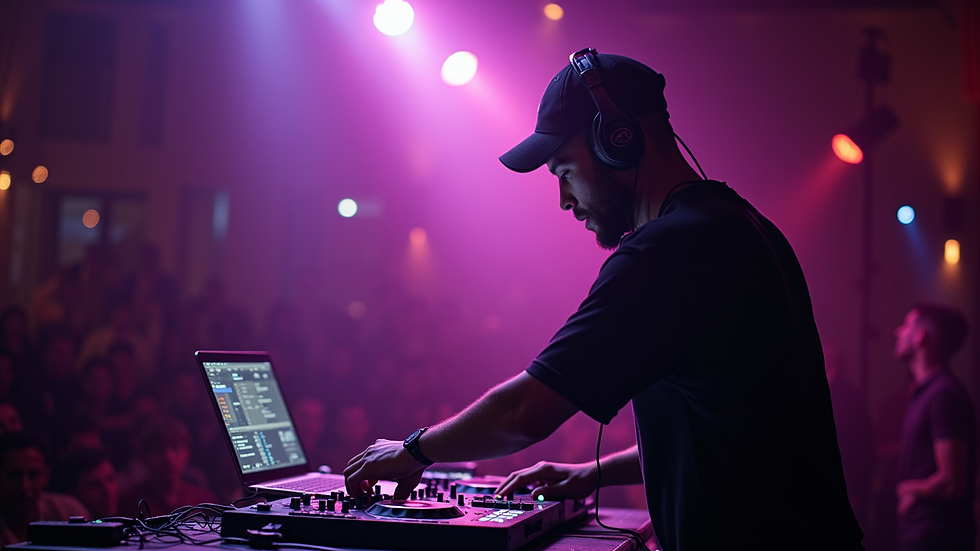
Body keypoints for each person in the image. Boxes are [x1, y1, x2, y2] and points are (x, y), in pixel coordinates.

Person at [344, 49, 863, 551]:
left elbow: (525, 411)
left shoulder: (667, 251)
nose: (565, 200)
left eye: (565, 171)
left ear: (618, 139)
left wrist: (414, 449)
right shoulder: (745, 227)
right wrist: (593, 473)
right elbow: (730, 429)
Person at [893, 302, 975, 551]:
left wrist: (910, 489)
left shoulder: (942, 395)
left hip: (936, 537)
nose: (898, 332)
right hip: (923, 533)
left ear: (920, 337)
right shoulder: (926, 392)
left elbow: (952, 481)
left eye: (906, 325)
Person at [0, 431, 89, 546]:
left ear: (46, 476)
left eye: (33, 475)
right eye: (14, 475)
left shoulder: (69, 512)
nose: (24, 486)